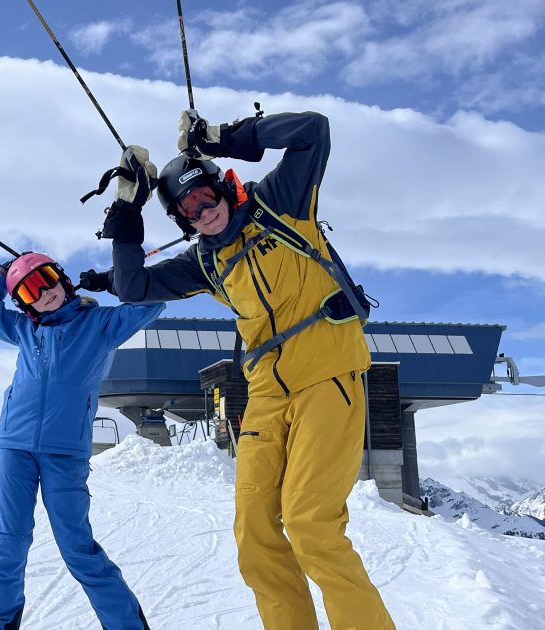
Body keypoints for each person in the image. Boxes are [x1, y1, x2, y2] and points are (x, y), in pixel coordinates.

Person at [81, 110, 395, 629]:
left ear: (222, 189)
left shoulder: (281, 204)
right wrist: (127, 209)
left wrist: (219, 138)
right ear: (181, 220)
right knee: (254, 534)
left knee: (310, 524)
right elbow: (133, 286)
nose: (202, 212)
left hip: (329, 373)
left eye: (205, 196)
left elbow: (312, 131)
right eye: (188, 209)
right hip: (268, 394)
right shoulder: (205, 262)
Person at [0, 252, 163, 630]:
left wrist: (112, 281)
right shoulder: (24, 329)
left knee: (78, 548)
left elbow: (153, 301)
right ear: (22, 303)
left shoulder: (101, 324)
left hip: (65, 451)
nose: (43, 293)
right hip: (14, 446)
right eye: (29, 289)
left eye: (47, 280)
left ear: (63, 278)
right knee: (6, 544)